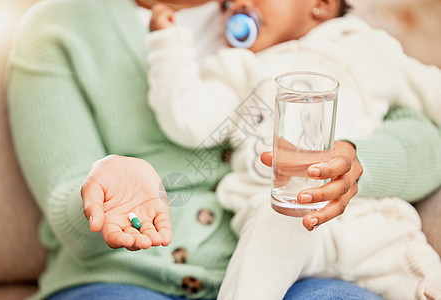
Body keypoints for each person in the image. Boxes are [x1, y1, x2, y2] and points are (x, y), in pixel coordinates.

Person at [5, 0, 440, 299]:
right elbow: (70, 211)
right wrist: (106, 194)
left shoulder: (298, 27)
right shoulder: (58, 27)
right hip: (122, 277)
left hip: (295, 271)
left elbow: (426, 141)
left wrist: (354, 161)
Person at [147, 0, 441, 299]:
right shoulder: (240, 66)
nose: (237, 6)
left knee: (420, 274)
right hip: (281, 214)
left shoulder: (371, 49)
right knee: (268, 243)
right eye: (225, 5)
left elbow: (432, 91)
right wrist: (168, 45)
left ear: (322, 5)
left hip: (364, 215)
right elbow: (190, 120)